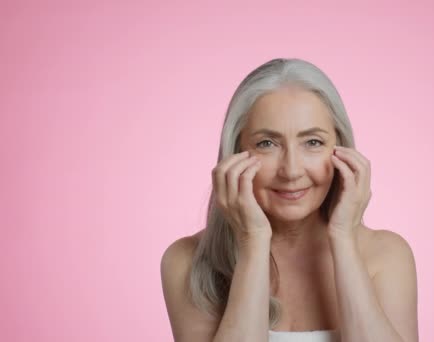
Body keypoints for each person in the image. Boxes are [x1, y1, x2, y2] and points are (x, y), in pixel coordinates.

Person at [161, 58, 419, 342]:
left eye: (313, 142)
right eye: (267, 144)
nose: (292, 171)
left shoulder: (387, 255)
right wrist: (253, 241)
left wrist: (343, 238)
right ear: (235, 154)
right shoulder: (187, 262)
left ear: (341, 151)